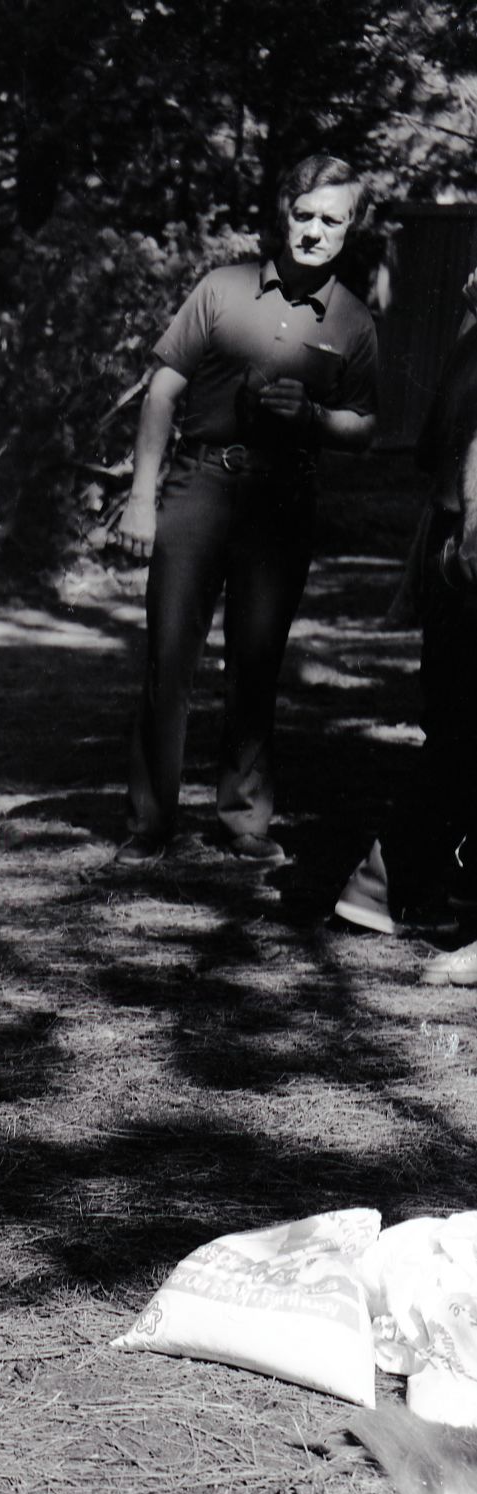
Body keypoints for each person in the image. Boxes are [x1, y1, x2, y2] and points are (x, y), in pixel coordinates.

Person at [112, 154, 379, 862]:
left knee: (256, 664)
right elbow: (161, 393)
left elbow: (364, 424)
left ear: (350, 229)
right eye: (305, 215)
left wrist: (314, 416)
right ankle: (148, 826)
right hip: (197, 487)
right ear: (283, 212)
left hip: (281, 499)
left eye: (332, 220)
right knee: (169, 660)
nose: (315, 232)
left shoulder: (353, 319)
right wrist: (140, 501)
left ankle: (242, 822)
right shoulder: (220, 289)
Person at [334, 266, 477, 939]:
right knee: (461, 733)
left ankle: (414, 884)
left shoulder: (467, 342)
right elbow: (443, 460)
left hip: (451, 549)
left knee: (457, 730)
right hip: (465, 553)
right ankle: (383, 878)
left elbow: (431, 452)